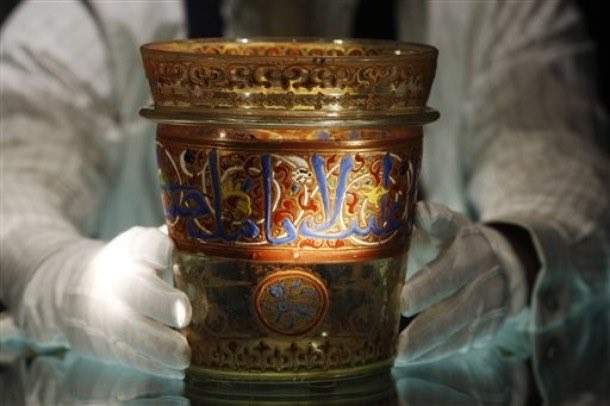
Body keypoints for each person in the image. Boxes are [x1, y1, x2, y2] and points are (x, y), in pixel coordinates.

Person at [1, 0, 608, 378]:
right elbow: (15, 180)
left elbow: (564, 174)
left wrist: (513, 254)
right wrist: (60, 276)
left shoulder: (496, 11)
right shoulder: (89, 14)